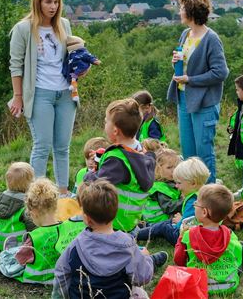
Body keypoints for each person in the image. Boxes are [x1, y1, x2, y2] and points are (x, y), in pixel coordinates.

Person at [9, 0, 78, 196]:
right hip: (39, 93)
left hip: (66, 93)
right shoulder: (23, 29)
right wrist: (18, 96)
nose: (53, 6)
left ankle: (63, 193)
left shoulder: (64, 25)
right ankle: (38, 195)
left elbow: (69, 57)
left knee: (62, 146)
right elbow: (15, 65)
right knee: (42, 145)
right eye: (48, 2)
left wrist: (80, 69)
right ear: (38, 2)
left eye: (56, 2)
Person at [53, 179, 167, 299]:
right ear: (115, 212)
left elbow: (61, 275)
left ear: (86, 218)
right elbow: (142, 277)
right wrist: (146, 258)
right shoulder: (127, 245)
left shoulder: (75, 245)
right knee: (140, 293)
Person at [167, 0, 229, 183]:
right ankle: (192, 195)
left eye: (182, 8)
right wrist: (175, 62)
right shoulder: (185, 34)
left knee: (203, 153)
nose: (179, 12)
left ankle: (209, 194)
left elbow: (220, 72)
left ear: (191, 12)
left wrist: (190, 80)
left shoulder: (211, 39)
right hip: (184, 99)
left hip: (204, 103)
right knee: (189, 153)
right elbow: (185, 64)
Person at [84, 98, 155, 232]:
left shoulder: (117, 160)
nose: (104, 125)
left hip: (112, 222)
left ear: (115, 131)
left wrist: (88, 176)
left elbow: (98, 183)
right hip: (130, 222)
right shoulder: (140, 151)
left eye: (106, 121)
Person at [175, 184, 243, 295]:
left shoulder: (188, 235)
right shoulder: (230, 235)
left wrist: (181, 238)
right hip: (229, 284)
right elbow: (238, 260)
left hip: (199, 286)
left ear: (204, 212)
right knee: (242, 246)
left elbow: (178, 261)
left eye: (196, 204)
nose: (194, 205)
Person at [136, 157, 210, 246]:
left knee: (164, 227)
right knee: (168, 222)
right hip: (197, 232)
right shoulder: (204, 193)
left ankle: (135, 235)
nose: (176, 186)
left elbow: (188, 226)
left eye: (179, 183)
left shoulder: (193, 202)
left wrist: (180, 221)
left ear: (193, 183)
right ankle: (145, 226)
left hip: (183, 238)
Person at [15, 178, 62, 285]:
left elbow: (21, 259)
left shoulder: (33, 237)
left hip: (37, 279)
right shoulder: (65, 229)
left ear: (34, 212)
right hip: (59, 277)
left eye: (30, 215)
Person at [0, 162, 36, 251]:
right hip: (19, 246)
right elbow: (33, 230)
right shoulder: (25, 206)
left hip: (0, 242)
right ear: (29, 183)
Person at [142, 148, 183, 225]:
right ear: (158, 169)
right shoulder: (159, 188)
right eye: (169, 167)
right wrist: (185, 200)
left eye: (175, 167)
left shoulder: (171, 182)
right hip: (158, 224)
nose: (173, 170)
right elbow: (168, 207)